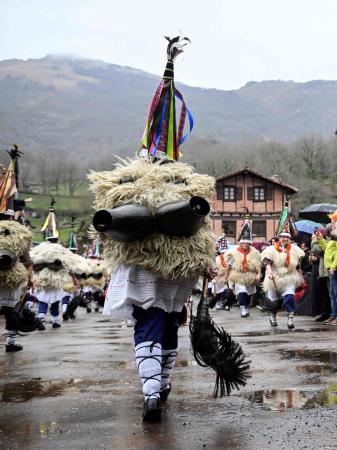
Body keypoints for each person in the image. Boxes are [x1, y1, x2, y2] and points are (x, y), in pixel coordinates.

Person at [90, 36, 221, 422]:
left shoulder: (186, 187)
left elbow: (199, 234)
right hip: (155, 268)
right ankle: (157, 387)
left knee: (158, 322)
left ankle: (154, 388)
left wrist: (202, 263)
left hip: (164, 271)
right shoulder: (130, 186)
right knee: (163, 322)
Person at [261, 208, 305, 329]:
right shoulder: (270, 250)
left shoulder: (296, 250)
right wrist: (269, 272)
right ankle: (273, 316)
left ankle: (290, 319)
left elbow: (298, 265)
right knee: (273, 301)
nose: (284, 239)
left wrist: (301, 277)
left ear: (289, 238)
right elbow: (267, 261)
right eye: (282, 237)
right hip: (274, 276)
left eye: (287, 237)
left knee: (289, 297)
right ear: (279, 238)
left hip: (289, 277)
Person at [0, 210, 34, 352]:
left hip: (11, 279)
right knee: (11, 312)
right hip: (12, 282)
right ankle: (10, 343)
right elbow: (27, 262)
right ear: (10, 217)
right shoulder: (18, 234)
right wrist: (30, 278)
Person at [224, 216, 261, 318]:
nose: (245, 244)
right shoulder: (234, 252)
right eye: (244, 242)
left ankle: (246, 306)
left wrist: (259, 274)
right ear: (241, 242)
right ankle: (243, 309)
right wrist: (226, 277)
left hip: (250, 276)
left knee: (248, 293)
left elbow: (258, 265)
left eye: (247, 242)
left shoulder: (255, 252)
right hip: (239, 275)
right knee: (242, 291)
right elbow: (229, 265)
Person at [315, 223, 337, 325]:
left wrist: (333, 267)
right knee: (332, 294)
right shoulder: (331, 240)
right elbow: (326, 249)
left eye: (333, 226)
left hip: (335, 270)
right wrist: (320, 239)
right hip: (330, 270)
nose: (331, 228)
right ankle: (334, 315)